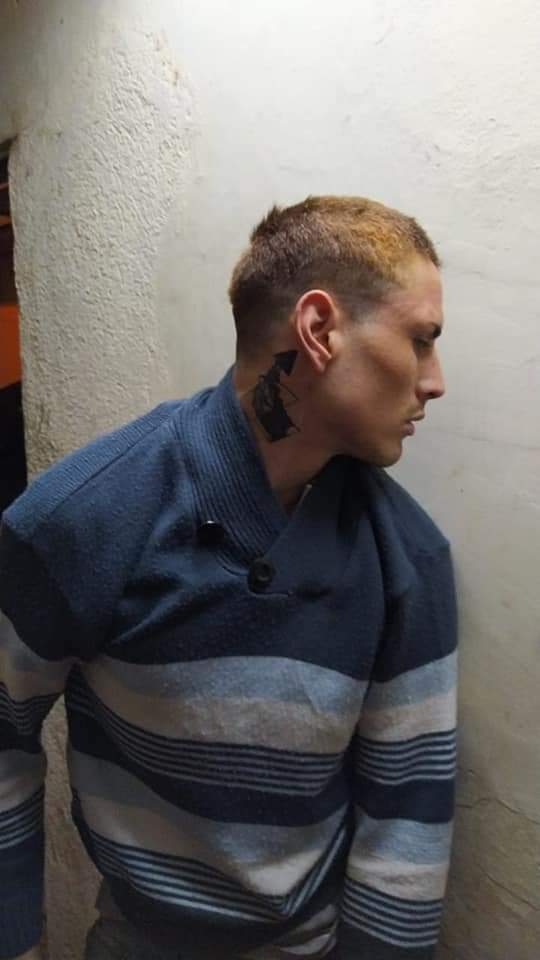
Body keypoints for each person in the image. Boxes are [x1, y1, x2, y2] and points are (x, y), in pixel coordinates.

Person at [0, 196, 457, 960]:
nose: (435, 381)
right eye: (420, 340)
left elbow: (406, 821)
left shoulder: (406, 560)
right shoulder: (81, 522)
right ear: (318, 331)